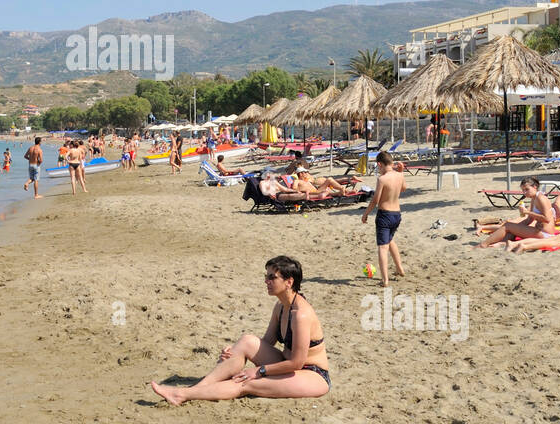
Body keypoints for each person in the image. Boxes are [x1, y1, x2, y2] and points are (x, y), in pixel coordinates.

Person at [149, 256, 330, 405]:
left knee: (246, 382)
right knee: (246, 341)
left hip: (312, 373)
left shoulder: (301, 315)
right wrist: (234, 352)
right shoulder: (281, 306)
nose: (266, 281)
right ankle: (194, 389)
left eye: (272, 277)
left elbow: (297, 362)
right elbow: (266, 343)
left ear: (289, 282)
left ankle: (183, 395)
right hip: (286, 363)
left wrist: (259, 371)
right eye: (266, 276)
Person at [361, 151, 406, 285]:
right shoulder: (399, 175)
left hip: (385, 215)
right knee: (390, 240)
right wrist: (401, 172)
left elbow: (375, 200)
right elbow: (403, 188)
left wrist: (365, 213)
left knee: (382, 247)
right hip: (397, 214)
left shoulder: (382, 179)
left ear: (379, 164)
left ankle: (385, 279)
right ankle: (400, 269)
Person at [475, 177, 557, 246]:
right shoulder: (534, 198)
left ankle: (483, 245)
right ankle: (499, 243)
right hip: (539, 231)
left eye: (527, 189)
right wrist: (515, 227)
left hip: (545, 235)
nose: (524, 193)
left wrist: (527, 212)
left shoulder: (541, 198)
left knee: (508, 226)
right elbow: (529, 220)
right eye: (523, 190)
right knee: (510, 228)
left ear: (535, 187)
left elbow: (547, 219)